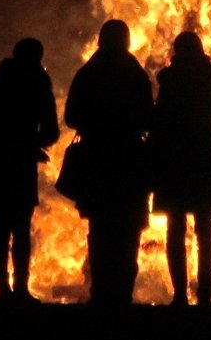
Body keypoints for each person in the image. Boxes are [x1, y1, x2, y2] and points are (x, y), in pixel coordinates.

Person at [63, 19, 154, 306]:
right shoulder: (135, 74)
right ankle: (122, 292)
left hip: (96, 159)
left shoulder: (88, 74)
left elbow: (71, 117)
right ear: (126, 41)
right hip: (129, 159)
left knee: (101, 229)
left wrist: (97, 124)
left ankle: (101, 292)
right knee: (128, 230)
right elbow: (148, 119)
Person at [148, 31, 211, 306]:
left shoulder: (171, 80)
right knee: (205, 229)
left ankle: (180, 294)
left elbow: (160, 119)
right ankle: (204, 295)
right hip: (204, 159)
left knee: (175, 228)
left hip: (175, 160)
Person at [0, 37, 60, 304]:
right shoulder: (37, 82)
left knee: (1, 226)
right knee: (20, 227)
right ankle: (19, 289)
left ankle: (3, 288)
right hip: (20, 163)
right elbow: (51, 130)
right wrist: (32, 142)